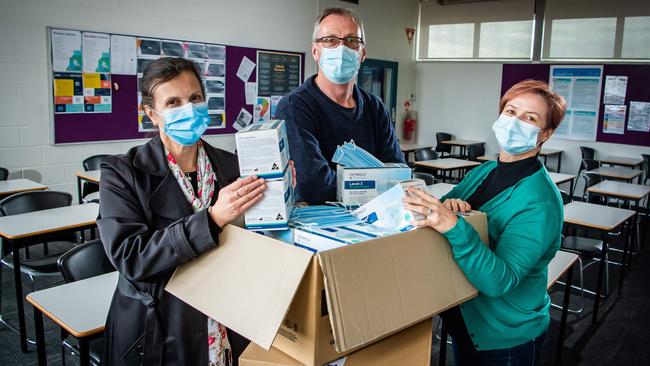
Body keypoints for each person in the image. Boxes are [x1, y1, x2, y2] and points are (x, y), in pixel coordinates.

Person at [97, 57, 294, 366]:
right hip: (163, 328)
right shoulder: (122, 173)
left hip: (229, 318)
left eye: (195, 98)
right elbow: (131, 257)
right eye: (173, 102)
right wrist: (213, 219)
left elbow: (263, 237)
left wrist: (282, 191)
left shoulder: (232, 166)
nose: (187, 109)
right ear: (152, 114)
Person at [403, 79, 567, 365]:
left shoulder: (540, 202)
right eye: (511, 112)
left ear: (546, 133)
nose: (515, 122)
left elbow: (499, 281)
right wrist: (451, 207)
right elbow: (444, 210)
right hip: (466, 321)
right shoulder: (487, 170)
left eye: (530, 118)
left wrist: (454, 225)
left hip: (504, 338)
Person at [276, 7, 404, 204]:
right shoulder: (295, 106)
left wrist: (363, 186)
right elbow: (313, 186)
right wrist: (376, 183)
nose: (341, 48)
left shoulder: (375, 108)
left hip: (376, 221)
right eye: (330, 40)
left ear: (362, 53)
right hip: (319, 224)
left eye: (352, 40)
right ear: (315, 51)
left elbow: (398, 175)